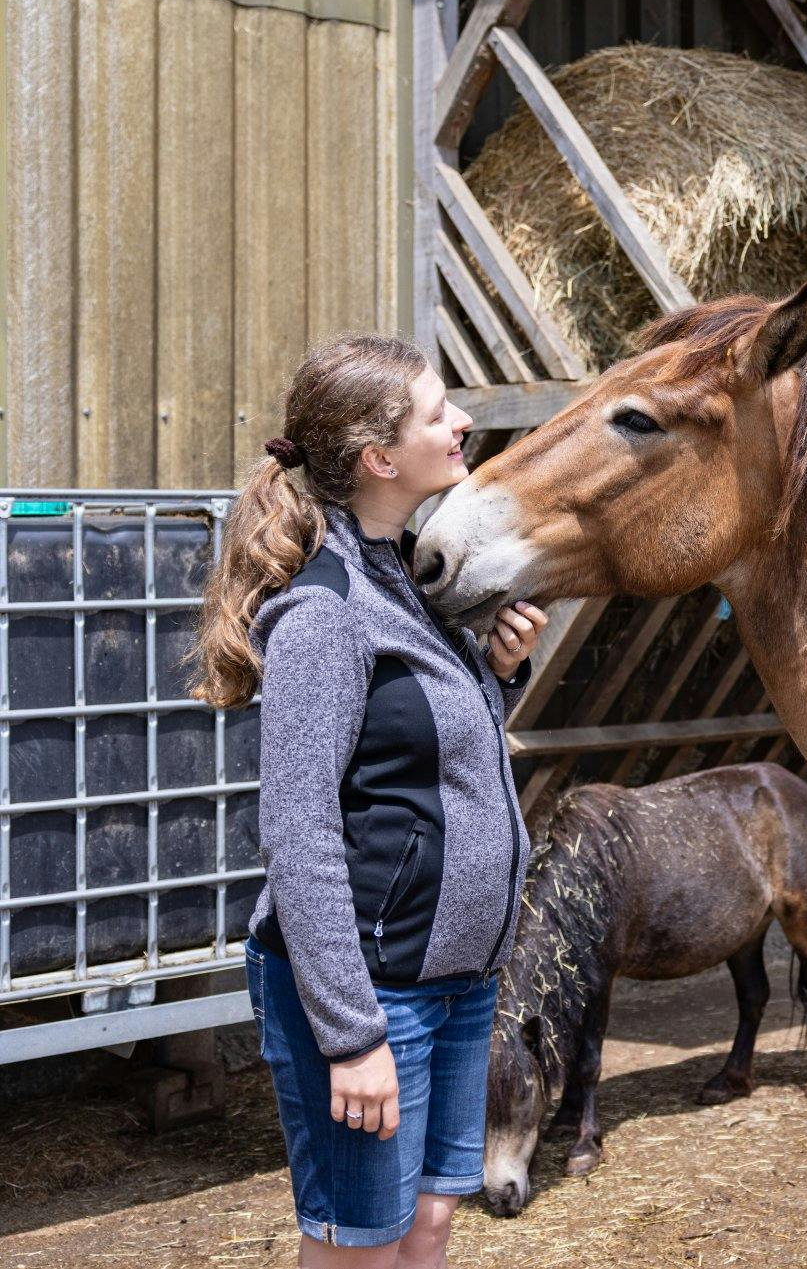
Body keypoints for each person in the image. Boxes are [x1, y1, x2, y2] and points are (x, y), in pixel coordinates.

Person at [195, 335, 548, 1266]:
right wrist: (351, 1037)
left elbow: (420, 760)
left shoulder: (412, 583)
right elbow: (301, 833)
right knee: (360, 1245)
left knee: (430, 1224)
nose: (463, 420)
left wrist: (499, 674)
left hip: (458, 982)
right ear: (378, 459)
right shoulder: (324, 614)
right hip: (369, 995)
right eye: (438, 412)